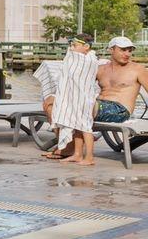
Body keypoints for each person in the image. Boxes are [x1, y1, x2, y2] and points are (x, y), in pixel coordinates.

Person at [44, 35, 99, 165]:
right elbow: (67, 75)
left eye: (75, 45)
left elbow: (82, 77)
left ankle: (89, 157)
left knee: (86, 128)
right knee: (77, 126)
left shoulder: (89, 60)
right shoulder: (73, 58)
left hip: (84, 99)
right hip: (74, 98)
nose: (71, 48)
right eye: (71, 45)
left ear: (86, 47)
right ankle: (77, 155)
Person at [96, 36, 148, 127]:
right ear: (111, 50)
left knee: (83, 106)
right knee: (71, 106)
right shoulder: (100, 69)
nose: (127, 54)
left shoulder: (137, 69)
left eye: (130, 51)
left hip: (120, 110)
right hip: (98, 106)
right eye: (123, 50)